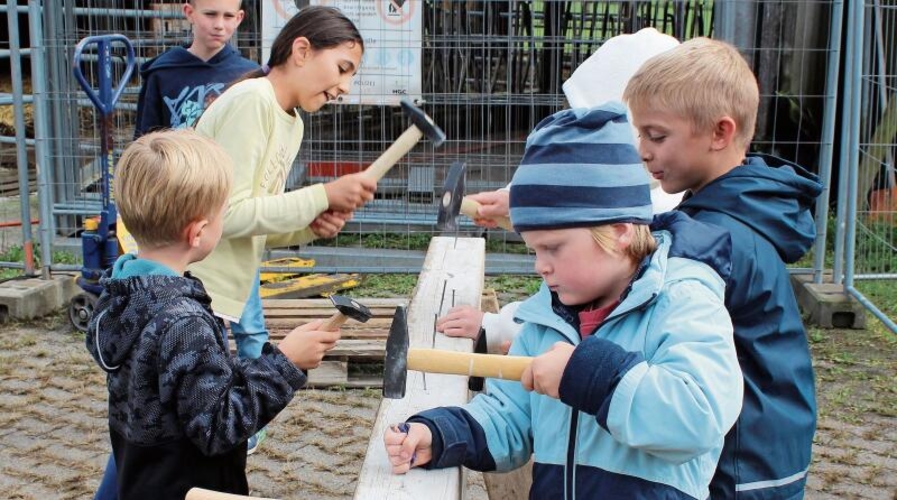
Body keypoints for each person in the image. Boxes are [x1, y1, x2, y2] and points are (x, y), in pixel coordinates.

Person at [384, 104, 744, 499]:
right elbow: (509, 416)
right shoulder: (547, 316)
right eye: (534, 251)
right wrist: (439, 434)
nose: (541, 267)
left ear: (620, 231)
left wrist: (584, 375)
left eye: (553, 249)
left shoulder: (683, 302)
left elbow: (698, 418)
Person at [86, 129, 341, 500]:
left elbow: (188, 392)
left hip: (141, 481)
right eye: (223, 213)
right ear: (199, 232)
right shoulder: (183, 322)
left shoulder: (121, 295)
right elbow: (218, 425)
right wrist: (285, 363)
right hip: (191, 490)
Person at [623, 37, 823, 499]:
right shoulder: (729, 212)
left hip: (739, 462)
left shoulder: (716, 236)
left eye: (656, 136)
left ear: (719, 132)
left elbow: (633, 265)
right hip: (768, 449)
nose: (642, 151)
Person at [188, 5, 376, 452]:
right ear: (302, 50)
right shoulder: (253, 102)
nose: (345, 88)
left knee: (164, 439)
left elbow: (251, 222)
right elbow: (224, 215)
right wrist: (321, 196)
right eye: (342, 69)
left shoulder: (288, 120)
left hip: (217, 295)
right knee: (176, 438)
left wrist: (308, 226)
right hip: (193, 290)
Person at [134, 0, 258, 138]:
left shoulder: (250, 76)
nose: (219, 25)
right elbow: (145, 142)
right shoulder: (162, 73)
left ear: (238, 18)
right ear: (189, 13)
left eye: (228, 16)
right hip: (176, 158)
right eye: (210, 14)